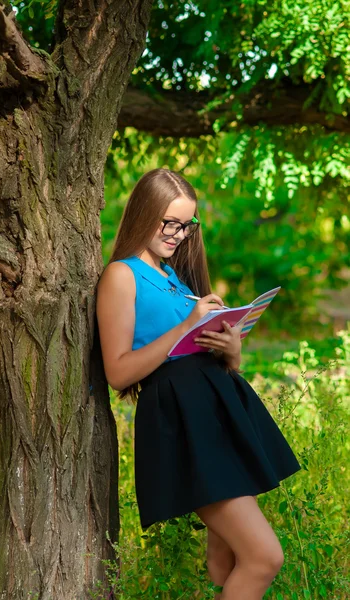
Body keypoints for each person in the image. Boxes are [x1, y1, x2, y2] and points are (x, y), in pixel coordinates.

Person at [96, 168, 301, 600]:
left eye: (186, 226)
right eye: (169, 222)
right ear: (143, 213)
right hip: (187, 423)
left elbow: (195, 351)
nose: (177, 234)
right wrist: (187, 325)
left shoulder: (175, 278)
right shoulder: (121, 275)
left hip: (220, 413)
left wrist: (230, 349)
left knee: (224, 562)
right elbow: (117, 372)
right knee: (265, 557)